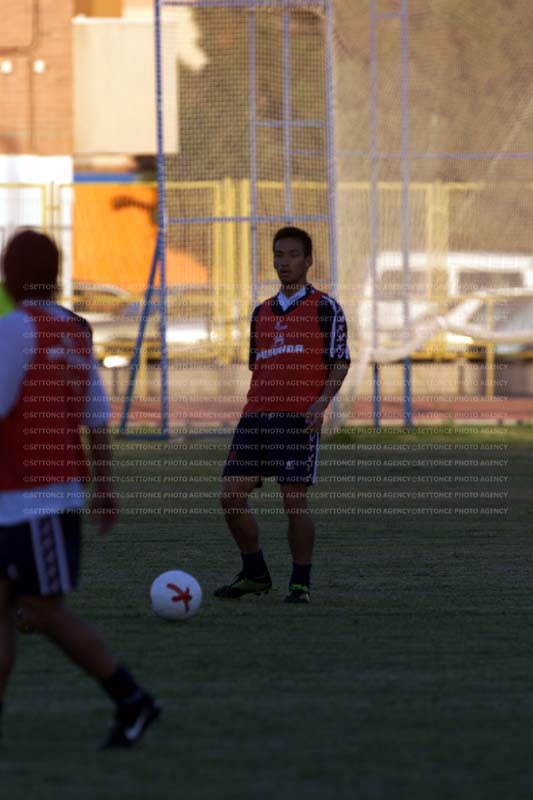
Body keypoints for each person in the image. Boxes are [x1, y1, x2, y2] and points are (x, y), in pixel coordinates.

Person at [0, 229, 160, 748]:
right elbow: (95, 414)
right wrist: (106, 486)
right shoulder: (73, 331)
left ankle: (131, 697)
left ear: (11, 274)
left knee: (42, 612)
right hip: (41, 494)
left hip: (31, 496)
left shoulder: (16, 329)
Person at [215, 226, 350, 604]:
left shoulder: (325, 308)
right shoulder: (261, 312)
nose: (284, 262)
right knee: (230, 496)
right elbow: (257, 365)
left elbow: (340, 362)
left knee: (294, 501)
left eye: (292, 255)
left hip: (297, 420)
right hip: (256, 417)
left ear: (308, 261)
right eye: (278, 255)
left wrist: (320, 404)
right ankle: (255, 573)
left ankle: (300, 584)